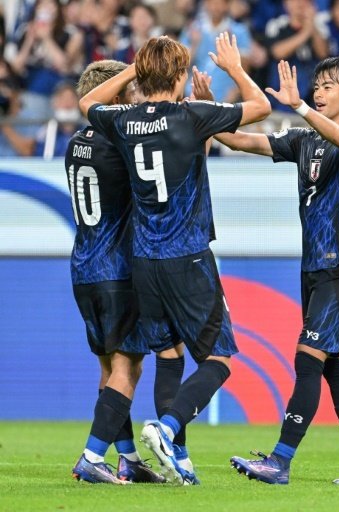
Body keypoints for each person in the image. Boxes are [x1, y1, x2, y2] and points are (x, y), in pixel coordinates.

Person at [78, 33, 272, 485]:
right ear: (181, 75)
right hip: (187, 255)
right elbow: (260, 107)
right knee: (219, 358)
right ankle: (166, 429)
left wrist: (133, 69)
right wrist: (235, 70)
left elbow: (88, 101)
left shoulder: (124, 120)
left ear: (144, 74)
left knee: (169, 351)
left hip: (144, 260)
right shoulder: (192, 114)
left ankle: (176, 457)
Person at [207, 55, 339, 485]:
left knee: (306, 359)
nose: (318, 92)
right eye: (316, 86)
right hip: (312, 267)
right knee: (335, 366)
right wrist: (207, 112)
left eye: (328, 86)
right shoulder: (304, 140)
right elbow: (240, 141)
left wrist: (300, 107)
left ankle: (279, 461)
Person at [68, 59, 164, 486]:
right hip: (117, 268)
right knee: (129, 366)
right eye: (131, 89)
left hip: (83, 267)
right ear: (117, 94)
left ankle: (126, 457)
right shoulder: (118, 141)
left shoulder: (75, 142)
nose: (137, 96)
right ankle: (92, 457)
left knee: (110, 370)